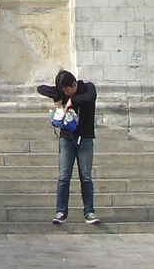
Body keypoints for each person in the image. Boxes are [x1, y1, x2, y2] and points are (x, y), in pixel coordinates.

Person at [37, 69, 99, 225]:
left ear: (74, 84)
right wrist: (57, 96)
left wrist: (73, 101)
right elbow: (41, 89)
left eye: (67, 90)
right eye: (63, 91)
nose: (66, 93)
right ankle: (61, 211)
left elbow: (90, 97)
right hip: (66, 139)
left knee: (86, 176)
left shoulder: (87, 88)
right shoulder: (63, 91)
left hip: (84, 139)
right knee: (64, 176)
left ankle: (89, 212)